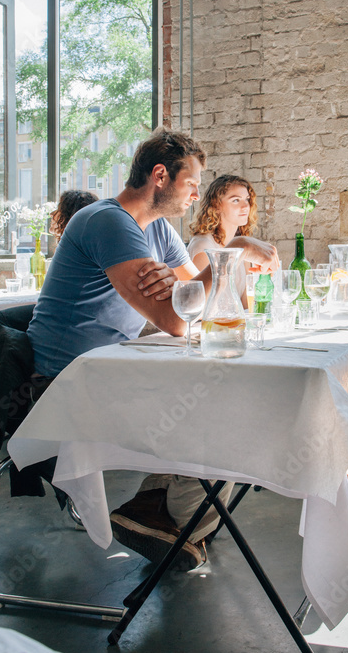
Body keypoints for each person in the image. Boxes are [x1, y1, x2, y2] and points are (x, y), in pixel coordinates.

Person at [27, 128, 279, 569]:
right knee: (224, 396)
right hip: (67, 380)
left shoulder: (156, 228)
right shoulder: (107, 221)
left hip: (111, 362)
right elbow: (177, 319)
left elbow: (188, 300)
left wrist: (185, 290)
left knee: (225, 384)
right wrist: (230, 251)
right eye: (192, 183)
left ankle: (160, 512)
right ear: (160, 175)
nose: (197, 194)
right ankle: (173, 518)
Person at [187, 175, 258, 305]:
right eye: (236, 200)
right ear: (216, 206)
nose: (245, 206)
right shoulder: (203, 246)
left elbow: (247, 304)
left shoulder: (242, 243)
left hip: (235, 323)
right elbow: (204, 304)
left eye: (247, 199)